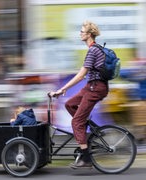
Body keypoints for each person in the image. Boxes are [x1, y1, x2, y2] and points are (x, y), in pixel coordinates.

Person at [49, 21, 108, 169]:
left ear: (89, 34)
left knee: (76, 122)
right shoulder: (94, 49)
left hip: (95, 88)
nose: (80, 34)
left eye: (82, 31)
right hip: (91, 86)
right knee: (70, 104)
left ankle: (86, 158)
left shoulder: (93, 50)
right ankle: (90, 128)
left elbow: (81, 75)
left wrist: (62, 89)